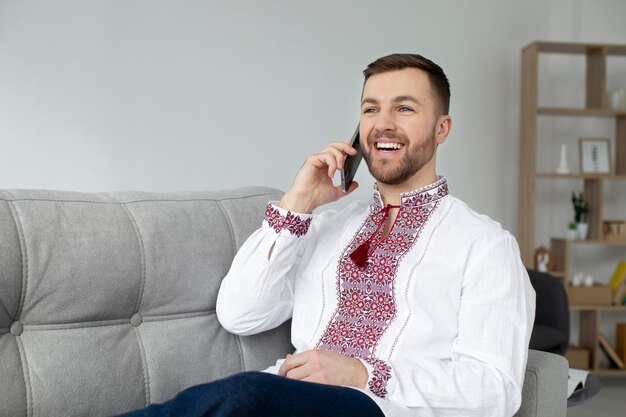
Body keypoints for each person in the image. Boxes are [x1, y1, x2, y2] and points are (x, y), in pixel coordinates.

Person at [119, 53, 535, 417]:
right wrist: (298, 202)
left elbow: (494, 390)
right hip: (287, 397)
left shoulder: (484, 246)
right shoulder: (327, 227)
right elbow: (240, 314)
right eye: (370, 110)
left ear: (442, 128)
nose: (382, 125)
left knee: (243, 395)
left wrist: (361, 373)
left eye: (404, 109)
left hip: (386, 409)